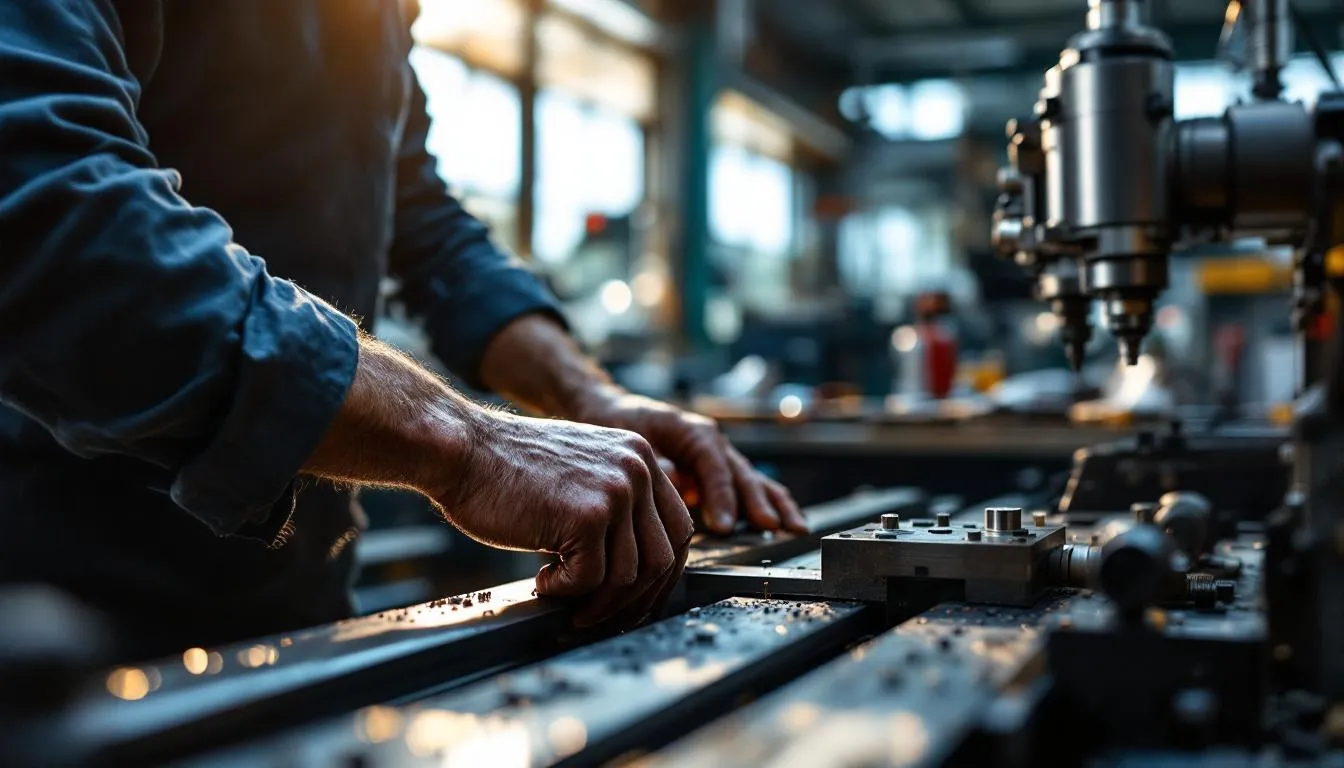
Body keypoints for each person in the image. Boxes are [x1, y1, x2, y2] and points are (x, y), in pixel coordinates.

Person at [0, 0, 804, 661]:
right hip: (54, 614)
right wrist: (472, 449)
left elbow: (424, 227)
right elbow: (51, 214)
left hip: (292, 606)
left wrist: (587, 396)